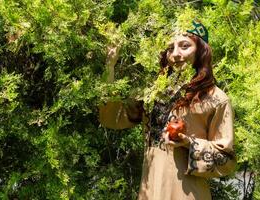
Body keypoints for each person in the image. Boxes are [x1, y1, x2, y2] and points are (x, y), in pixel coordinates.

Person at [99, 20, 236, 200]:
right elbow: (112, 117)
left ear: (201, 51)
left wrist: (189, 143)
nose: (176, 54)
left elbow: (226, 159)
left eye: (184, 46)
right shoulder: (153, 92)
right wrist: (110, 67)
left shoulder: (215, 99)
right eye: (170, 48)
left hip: (188, 194)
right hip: (150, 191)